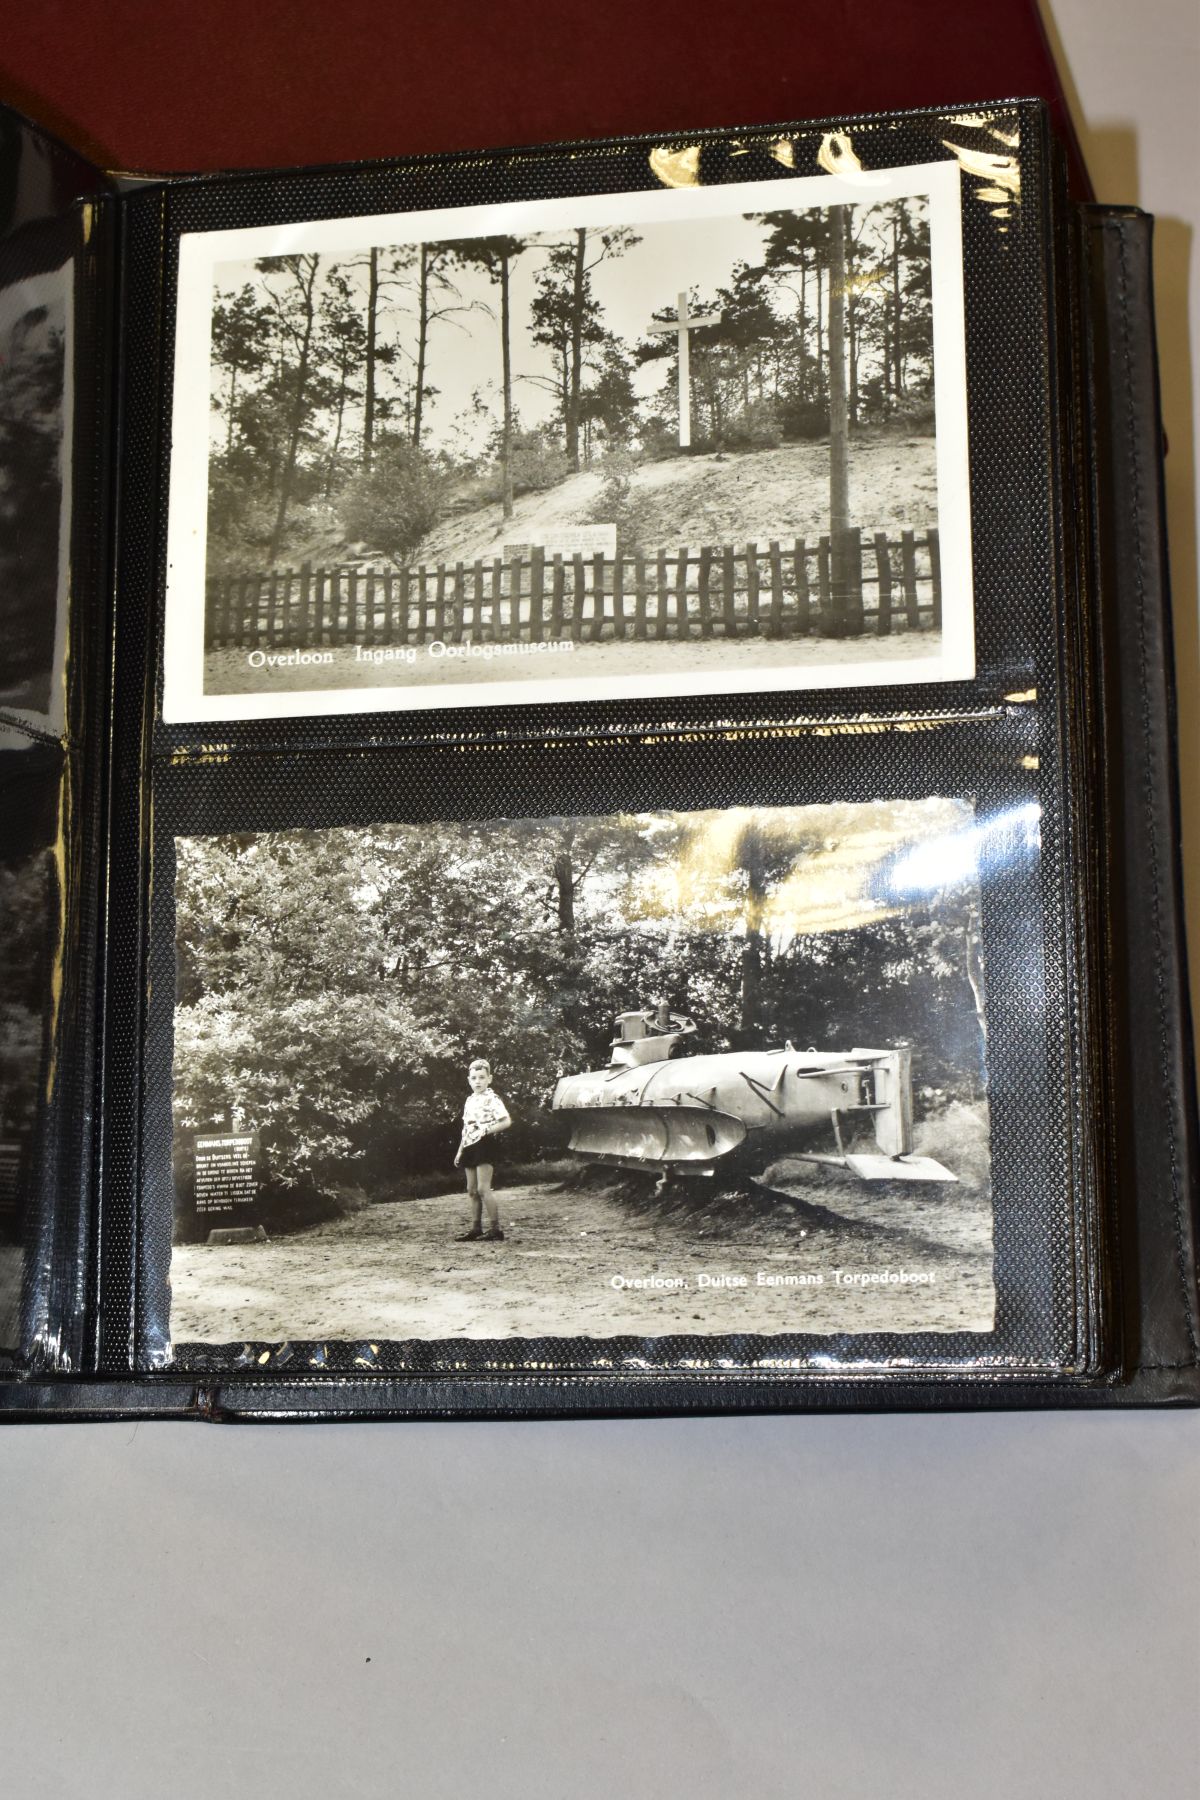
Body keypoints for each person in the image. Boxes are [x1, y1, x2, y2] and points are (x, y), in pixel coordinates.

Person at [453, 1058, 512, 1242]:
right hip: (469, 1145)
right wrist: (460, 1150)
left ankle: (496, 1230)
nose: (478, 1081)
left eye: (481, 1077)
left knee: (483, 1188)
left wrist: (486, 1130)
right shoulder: (470, 1100)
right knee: (471, 1190)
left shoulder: (492, 1098)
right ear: (469, 1080)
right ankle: (476, 1228)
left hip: (485, 1144)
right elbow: (466, 1128)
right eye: (474, 1078)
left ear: (489, 1079)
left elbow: (506, 1121)